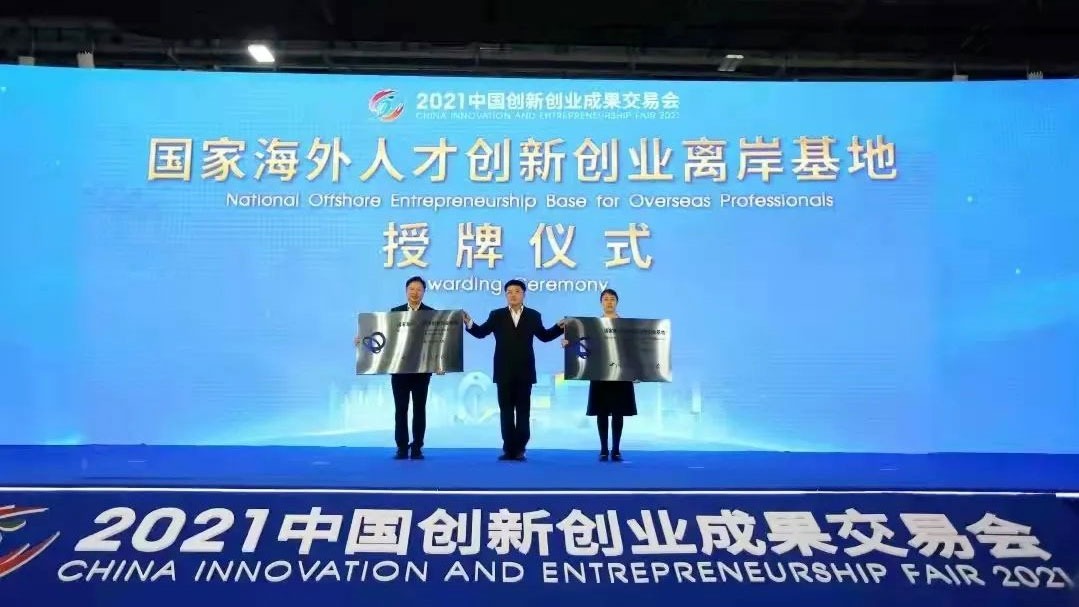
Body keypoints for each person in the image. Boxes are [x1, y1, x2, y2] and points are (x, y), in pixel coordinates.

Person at [463, 279, 564, 461]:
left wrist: (559, 327)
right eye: (509, 292)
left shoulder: (533, 315)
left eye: (517, 291)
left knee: (523, 411)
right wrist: (469, 322)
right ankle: (508, 449)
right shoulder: (497, 315)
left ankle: (520, 448)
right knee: (506, 412)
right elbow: (481, 332)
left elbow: (544, 336)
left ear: (524, 294)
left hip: (525, 370)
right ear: (505, 295)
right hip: (503, 370)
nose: (513, 295)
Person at [355, 275, 441, 460]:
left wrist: (440, 363)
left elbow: (437, 343)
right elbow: (383, 338)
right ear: (406, 291)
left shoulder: (432, 314)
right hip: (399, 371)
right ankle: (402, 447)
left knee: (419, 410)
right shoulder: (395, 313)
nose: (415, 292)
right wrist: (363, 341)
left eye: (419, 289)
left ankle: (417, 447)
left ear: (424, 292)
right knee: (400, 410)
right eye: (412, 289)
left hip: (422, 372)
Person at [563, 288, 637, 462]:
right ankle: (603, 449)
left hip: (621, 375)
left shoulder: (627, 326)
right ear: (601, 303)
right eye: (605, 299)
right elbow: (584, 347)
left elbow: (633, 350)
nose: (609, 302)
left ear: (617, 302)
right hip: (599, 373)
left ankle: (616, 449)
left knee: (618, 412)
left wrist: (637, 372)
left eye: (612, 299)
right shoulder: (592, 326)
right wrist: (569, 343)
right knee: (601, 412)